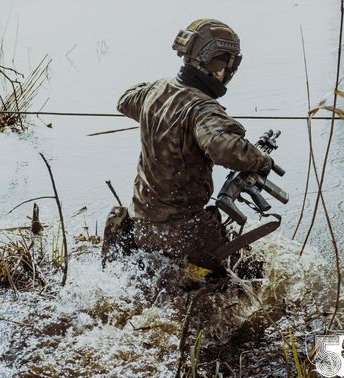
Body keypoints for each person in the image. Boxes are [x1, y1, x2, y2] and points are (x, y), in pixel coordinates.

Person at [115, 19, 272, 276]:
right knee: (253, 273)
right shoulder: (202, 108)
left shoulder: (154, 91)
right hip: (185, 233)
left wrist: (164, 92)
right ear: (221, 66)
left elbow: (125, 100)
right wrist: (262, 160)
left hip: (142, 227)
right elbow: (225, 147)